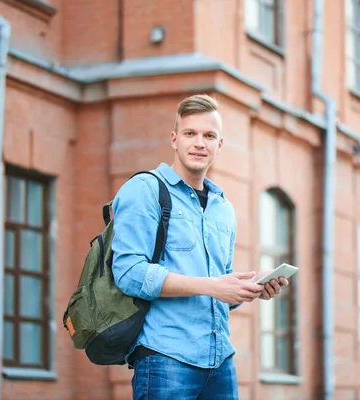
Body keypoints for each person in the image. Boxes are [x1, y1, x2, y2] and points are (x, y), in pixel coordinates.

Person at [111, 94, 289, 399]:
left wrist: (250, 287)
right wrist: (212, 287)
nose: (199, 143)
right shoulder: (144, 190)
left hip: (220, 363)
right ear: (174, 139)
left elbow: (219, 285)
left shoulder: (224, 208)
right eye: (190, 133)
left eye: (209, 136)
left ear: (219, 145)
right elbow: (128, 272)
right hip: (165, 359)